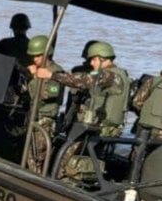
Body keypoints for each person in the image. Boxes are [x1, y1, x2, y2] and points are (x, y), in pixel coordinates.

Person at [36, 41, 130, 180]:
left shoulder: (110, 75)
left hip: (102, 129)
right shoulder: (121, 74)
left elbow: (85, 80)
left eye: (93, 59)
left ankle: (57, 181)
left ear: (101, 58)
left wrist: (52, 75)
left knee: (66, 155)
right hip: (108, 128)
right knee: (87, 159)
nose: (91, 63)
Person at [23, 35, 64, 174]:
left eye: (38, 56)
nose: (35, 59)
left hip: (45, 120)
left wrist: (35, 78)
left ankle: (37, 180)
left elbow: (47, 94)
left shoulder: (55, 72)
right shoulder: (39, 69)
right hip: (34, 116)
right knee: (30, 154)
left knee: (37, 156)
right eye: (33, 56)